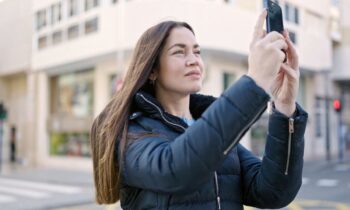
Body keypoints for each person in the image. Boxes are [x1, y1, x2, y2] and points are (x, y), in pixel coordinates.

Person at [90, 10, 308, 210]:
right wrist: (255, 81)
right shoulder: (133, 135)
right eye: (179, 52)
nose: (193, 60)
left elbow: (273, 192)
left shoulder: (215, 131)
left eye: (197, 52)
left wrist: (285, 107)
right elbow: (178, 169)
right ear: (152, 70)